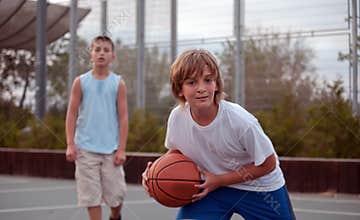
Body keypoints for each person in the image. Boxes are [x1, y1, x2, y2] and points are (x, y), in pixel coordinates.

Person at [142, 49, 296, 220]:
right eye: (192, 82)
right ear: (179, 89)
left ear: (216, 84)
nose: (201, 88)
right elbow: (177, 152)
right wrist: (154, 173)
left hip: (259, 189)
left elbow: (268, 164)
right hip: (211, 188)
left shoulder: (240, 120)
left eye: (208, 80)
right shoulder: (177, 117)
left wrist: (220, 180)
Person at [66, 35, 128, 220]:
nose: (101, 53)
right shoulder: (80, 82)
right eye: (97, 49)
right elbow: (71, 113)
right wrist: (70, 144)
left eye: (106, 50)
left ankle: (115, 216)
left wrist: (122, 149)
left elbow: (123, 117)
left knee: (116, 197)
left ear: (112, 57)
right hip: (85, 150)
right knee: (91, 198)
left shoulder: (118, 83)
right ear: (91, 55)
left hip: (111, 150)